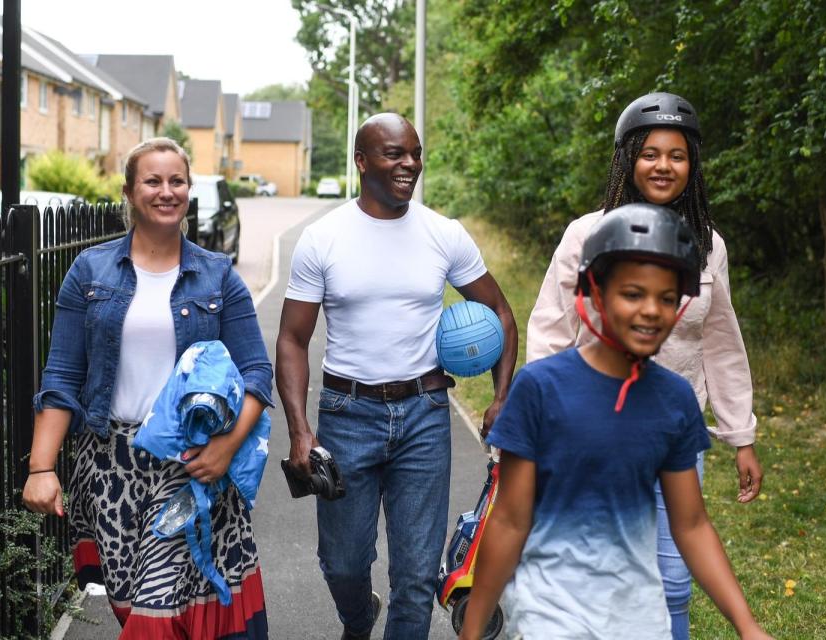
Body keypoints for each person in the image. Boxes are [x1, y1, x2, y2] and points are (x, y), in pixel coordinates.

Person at [460, 203, 772, 640]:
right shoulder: (539, 389)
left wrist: (747, 626)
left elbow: (691, 524)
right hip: (551, 612)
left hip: (637, 616)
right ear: (594, 293)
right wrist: (471, 630)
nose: (651, 310)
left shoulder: (675, 400)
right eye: (633, 294)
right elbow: (510, 520)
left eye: (667, 298)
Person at [525, 92, 764, 639]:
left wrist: (740, 433)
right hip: (589, 435)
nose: (663, 166)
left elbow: (721, 342)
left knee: (674, 584)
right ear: (628, 158)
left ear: (692, 164)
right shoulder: (585, 236)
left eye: (677, 155)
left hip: (672, 434)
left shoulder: (707, 246)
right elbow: (549, 333)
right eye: (651, 153)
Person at [275, 113, 518, 640]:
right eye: (394, 153)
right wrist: (299, 431)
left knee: (414, 577)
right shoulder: (324, 239)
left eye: (415, 152)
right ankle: (359, 619)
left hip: (425, 416)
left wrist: (502, 395)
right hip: (346, 415)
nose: (409, 163)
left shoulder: (443, 234)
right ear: (362, 161)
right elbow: (293, 338)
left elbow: (499, 310)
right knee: (343, 564)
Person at [22, 137, 273, 639]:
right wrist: (41, 467)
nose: (166, 191)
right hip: (109, 466)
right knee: (130, 605)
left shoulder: (217, 277)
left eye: (176, 181)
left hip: (190, 465)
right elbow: (62, 377)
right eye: (153, 181)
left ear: (188, 190)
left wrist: (224, 448)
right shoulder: (89, 271)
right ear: (130, 192)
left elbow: (256, 374)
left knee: (157, 615)